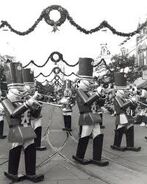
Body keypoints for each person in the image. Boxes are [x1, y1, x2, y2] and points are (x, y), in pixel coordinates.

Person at [2, 62, 44, 183]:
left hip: (27, 128)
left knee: (31, 149)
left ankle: (31, 172)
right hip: (16, 129)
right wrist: (27, 104)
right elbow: (13, 114)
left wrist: (37, 105)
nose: (22, 92)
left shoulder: (23, 101)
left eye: (22, 89)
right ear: (10, 89)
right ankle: (12, 172)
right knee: (15, 149)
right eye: (18, 89)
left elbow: (35, 115)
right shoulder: (6, 101)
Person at [72, 57, 109, 166]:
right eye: (88, 81)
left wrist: (102, 96)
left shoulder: (89, 91)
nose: (91, 83)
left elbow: (99, 103)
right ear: (81, 81)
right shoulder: (80, 91)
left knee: (98, 135)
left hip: (94, 115)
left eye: (90, 80)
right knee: (85, 135)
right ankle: (79, 156)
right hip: (86, 116)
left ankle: (96, 157)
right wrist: (97, 94)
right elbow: (87, 102)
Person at [111, 72, 141, 152]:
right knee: (120, 129)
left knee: (130, 128)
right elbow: (122, 106)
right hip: (121, 115)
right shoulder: (117, 98)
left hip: (127, 116)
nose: (125, 92)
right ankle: (116, 144)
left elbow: (132, 107)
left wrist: (134, 103)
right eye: (123, 90)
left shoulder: (125, 98)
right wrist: (130, 101)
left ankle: (130, 145)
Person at [23, 68, 47, 151]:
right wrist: (33, 97)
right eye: (30, 87)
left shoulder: (34, 93)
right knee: (27, 131)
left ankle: (37, 144)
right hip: (26, 115)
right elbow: (24, 104)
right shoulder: (22, 94)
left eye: (32, 86)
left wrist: (41, 97)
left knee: (38, 129)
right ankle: (25, 146)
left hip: (37, 114)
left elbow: (41, 100)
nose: (32, 88)